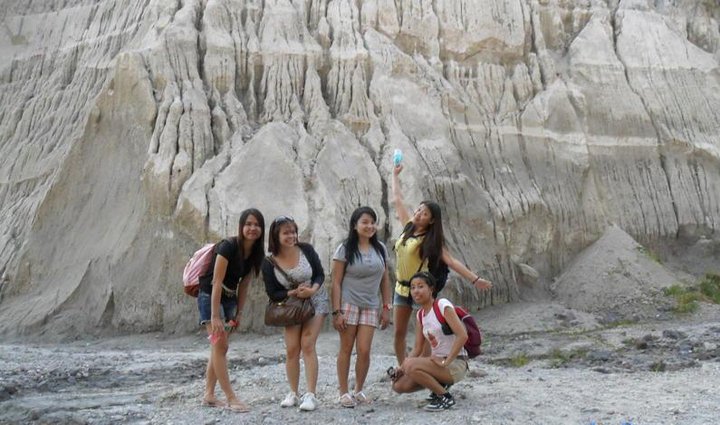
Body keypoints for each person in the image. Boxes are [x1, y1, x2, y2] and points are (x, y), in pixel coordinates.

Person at [391, 163, 492, 365]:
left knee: (425, 334)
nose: (418, 214)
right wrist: (395, 175)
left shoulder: (431, 241)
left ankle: (425, 367)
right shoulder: (408, 228)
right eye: (419, 210)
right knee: (399, 333)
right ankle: (402, 369)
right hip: (401, 288)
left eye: (424, 213)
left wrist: (475, 280)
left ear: (431, 221)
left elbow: (452, 262)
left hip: (421, 288)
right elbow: (398, 200)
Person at [197, 208, 266, 412]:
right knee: (221, 346)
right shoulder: (227, 246)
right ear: (241, 226)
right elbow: (216, 281)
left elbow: (244, 285)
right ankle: (231, 398)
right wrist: (214, 316)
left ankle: (209, 395)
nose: (252, 228)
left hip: (229, 299)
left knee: (218, 347)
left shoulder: (255, 254)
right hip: (210, 296)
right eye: (248, 224)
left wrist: (239, 313)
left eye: (257, 225)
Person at [262, 216, 329, 411]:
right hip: (292, 305)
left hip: (316, 299)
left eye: (293, 231)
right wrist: (293, 293)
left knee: (307, 344)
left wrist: (312, 290)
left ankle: (311, 395)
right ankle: (293, 392)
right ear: (276, 236)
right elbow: (272, 293)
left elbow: (320, 274)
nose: (291, 236)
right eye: (286, 232)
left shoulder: (306, 249)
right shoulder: (268, 262)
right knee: (292, 349)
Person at [331, 206, 392, 408]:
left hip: (370, 305)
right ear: (355, 225)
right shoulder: (344, 249)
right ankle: (343, 392)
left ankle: (358, 390)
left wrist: (386, 307)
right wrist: (337, 311)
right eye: (365, 222)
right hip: (349, 304)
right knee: (346, 348)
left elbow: (385, 280)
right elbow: (336, 282)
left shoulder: (380, 248)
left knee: (364, 350)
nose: (370, 226)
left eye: (373, 222)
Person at [390, 272, 468, 411]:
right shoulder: (420, 315)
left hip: (456, 363)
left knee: (410, 365)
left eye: (420, 286)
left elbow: (462, 335)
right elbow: (417, 348)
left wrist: (446, 361)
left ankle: (445, 397)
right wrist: (401, 369)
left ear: (431, 289)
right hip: (437, 363)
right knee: (398, 385)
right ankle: (440, 385)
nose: (416, 291)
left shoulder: (442, 305)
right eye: (413, 287)